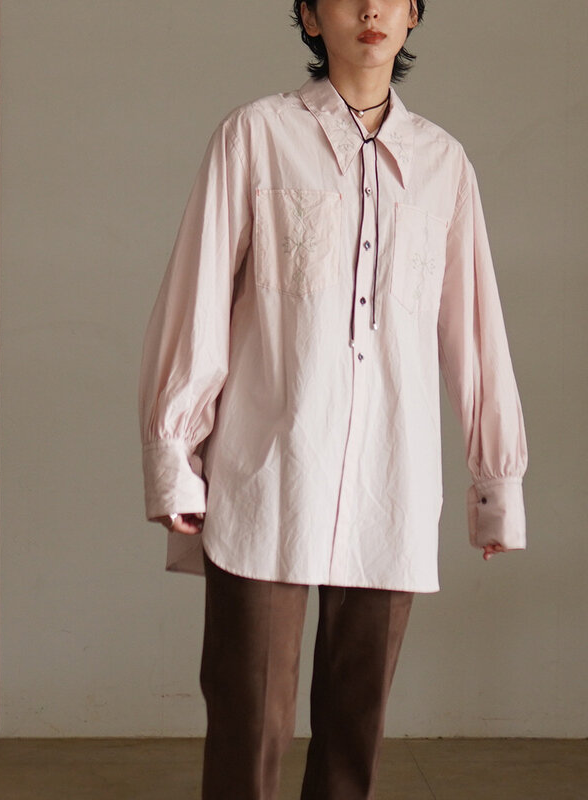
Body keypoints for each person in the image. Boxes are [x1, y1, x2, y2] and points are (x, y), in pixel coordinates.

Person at [138, 1, 529, 797]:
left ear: (414, 15)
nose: (370, 9)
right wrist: (176, 456)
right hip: (268, 473)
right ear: (311, 18)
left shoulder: (444, 165)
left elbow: (475, 328)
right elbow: (198, 297)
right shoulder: (256, 137)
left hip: (393, 480)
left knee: (356, 730)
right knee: (248, 722)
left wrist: (496, 484)